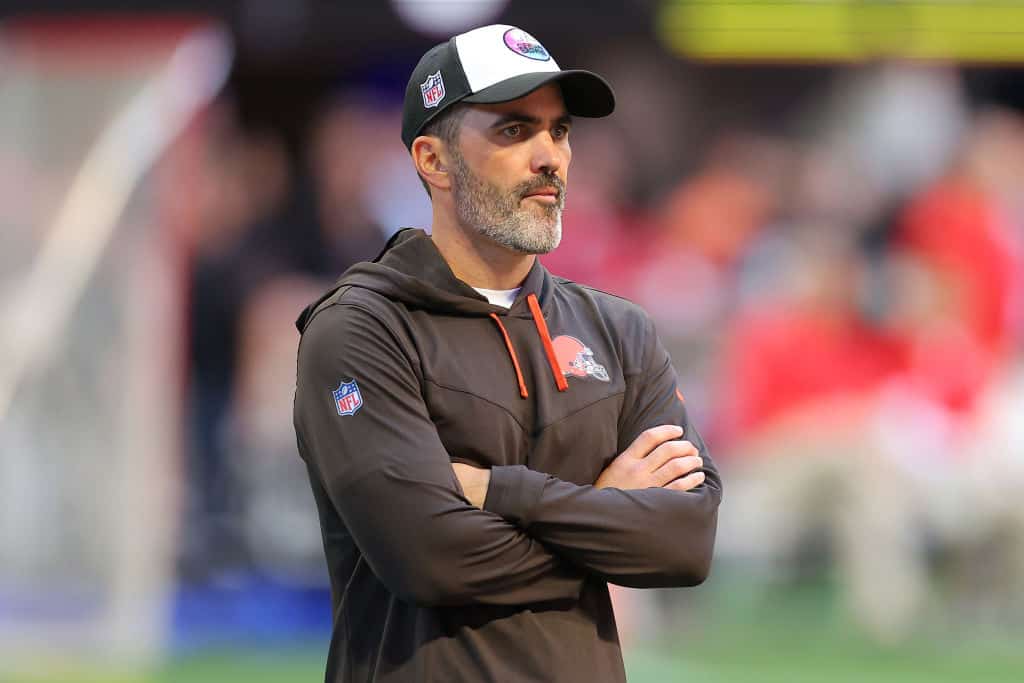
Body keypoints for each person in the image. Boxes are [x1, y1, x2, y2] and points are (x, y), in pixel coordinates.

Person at [293, 24, 722, 683]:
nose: (550, 156)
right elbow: (428, 557)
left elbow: (685, 541)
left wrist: (496, 489)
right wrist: (605, 510)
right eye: (514, 131)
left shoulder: (620, 330)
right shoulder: (361, 329)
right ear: (433, 160)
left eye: (561, 131)